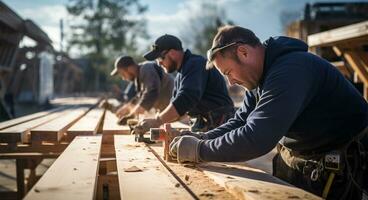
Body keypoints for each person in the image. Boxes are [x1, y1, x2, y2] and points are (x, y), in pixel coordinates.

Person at [169, 25, 368, 199]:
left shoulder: (291, 69)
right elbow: (241, 121)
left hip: (341, 160)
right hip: (307, 157)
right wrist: (200, 137)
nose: (230, 82)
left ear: (243, 52)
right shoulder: (258, 79)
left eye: (228, 73)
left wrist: (199, 150)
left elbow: (257, 137)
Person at [138, 34, 234, 132]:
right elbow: (178, 110)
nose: (159, 63)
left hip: (221, 123)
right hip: (207, 124)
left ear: (172, 53)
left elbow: (185, 98)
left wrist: (157, 121)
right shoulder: (181, 74)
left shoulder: (195, 64)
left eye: (160, 58)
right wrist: (155, 119)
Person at [111, 56, 174, 123]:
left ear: (129, 69)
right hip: (167, 112)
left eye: (123, 74)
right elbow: (140, 97)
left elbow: (152, 92)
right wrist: (127, 108)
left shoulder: (147, 68)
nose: (123, 78)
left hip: (175, 111)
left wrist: (132, 115)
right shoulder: (138, 78)